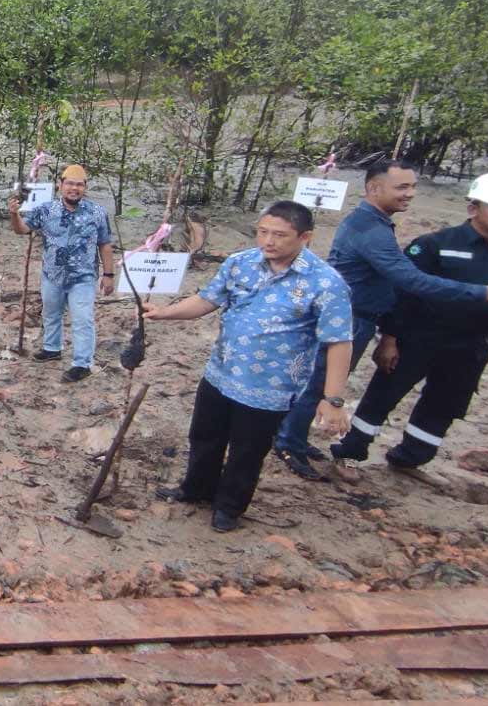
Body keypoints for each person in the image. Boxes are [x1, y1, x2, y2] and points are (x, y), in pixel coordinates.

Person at [273, 160, 488, 480]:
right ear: (374, 189)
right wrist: (482, 293)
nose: (410, 194)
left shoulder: (374, 224)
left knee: (319, 380)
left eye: (413, 187)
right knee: (321, 383)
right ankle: (287, 443)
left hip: (356, 317)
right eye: (402, 187)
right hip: (349, 318)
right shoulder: (371, 231)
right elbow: (411, 280)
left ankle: (292, 437)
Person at [145, 201, 354, 532]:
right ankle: (196, 488)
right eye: (263, 232)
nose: (268, 241)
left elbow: (339, 342)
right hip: (221, 372)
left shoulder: (326, 283)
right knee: (204, 436)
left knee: (247, 450)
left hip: (269, 386)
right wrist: (164, 313)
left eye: (280, 235)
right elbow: (207, 300)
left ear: (305, 237)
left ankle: (229, 507)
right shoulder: (240, 263)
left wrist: (333, 399)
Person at [330, 171, 488, 474]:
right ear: (473, 208)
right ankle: (351, 450)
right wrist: (389, 339)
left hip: (473, 345)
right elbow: (401, 294)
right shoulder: (434, 244)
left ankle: (410, 458)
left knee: (445, 403)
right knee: (384, 395)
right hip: (419, 338)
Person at [8, 163, 117, 382]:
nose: (74, 188)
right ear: (60, 186)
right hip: (52, 274)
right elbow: (22, 229)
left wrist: (108, 275)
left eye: (79, 184)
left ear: (85, 187)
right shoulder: (46, 210)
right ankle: (52, 348)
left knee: (83, 319)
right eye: (69, 184)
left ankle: (82, 363)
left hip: (83, 277)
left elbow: (105, 244)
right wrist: (14, 214)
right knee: (51, 313)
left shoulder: (97, 212)